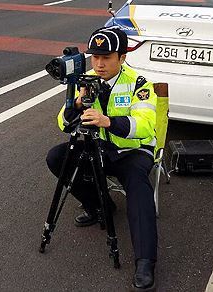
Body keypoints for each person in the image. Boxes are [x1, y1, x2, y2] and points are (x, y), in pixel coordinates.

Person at [46, 26, 158, 291]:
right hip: (98, 149)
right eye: (95, 57)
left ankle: (145, 261)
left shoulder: (140, 83)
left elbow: (145, 126)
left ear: (122, 57)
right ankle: (101, 207)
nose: (99, 64)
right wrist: (75, 105)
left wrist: (108, 121)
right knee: (57, 157)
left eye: (106, 57)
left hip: (133, 151)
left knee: (139, 188)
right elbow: (63, 123)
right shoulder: (84, 80)